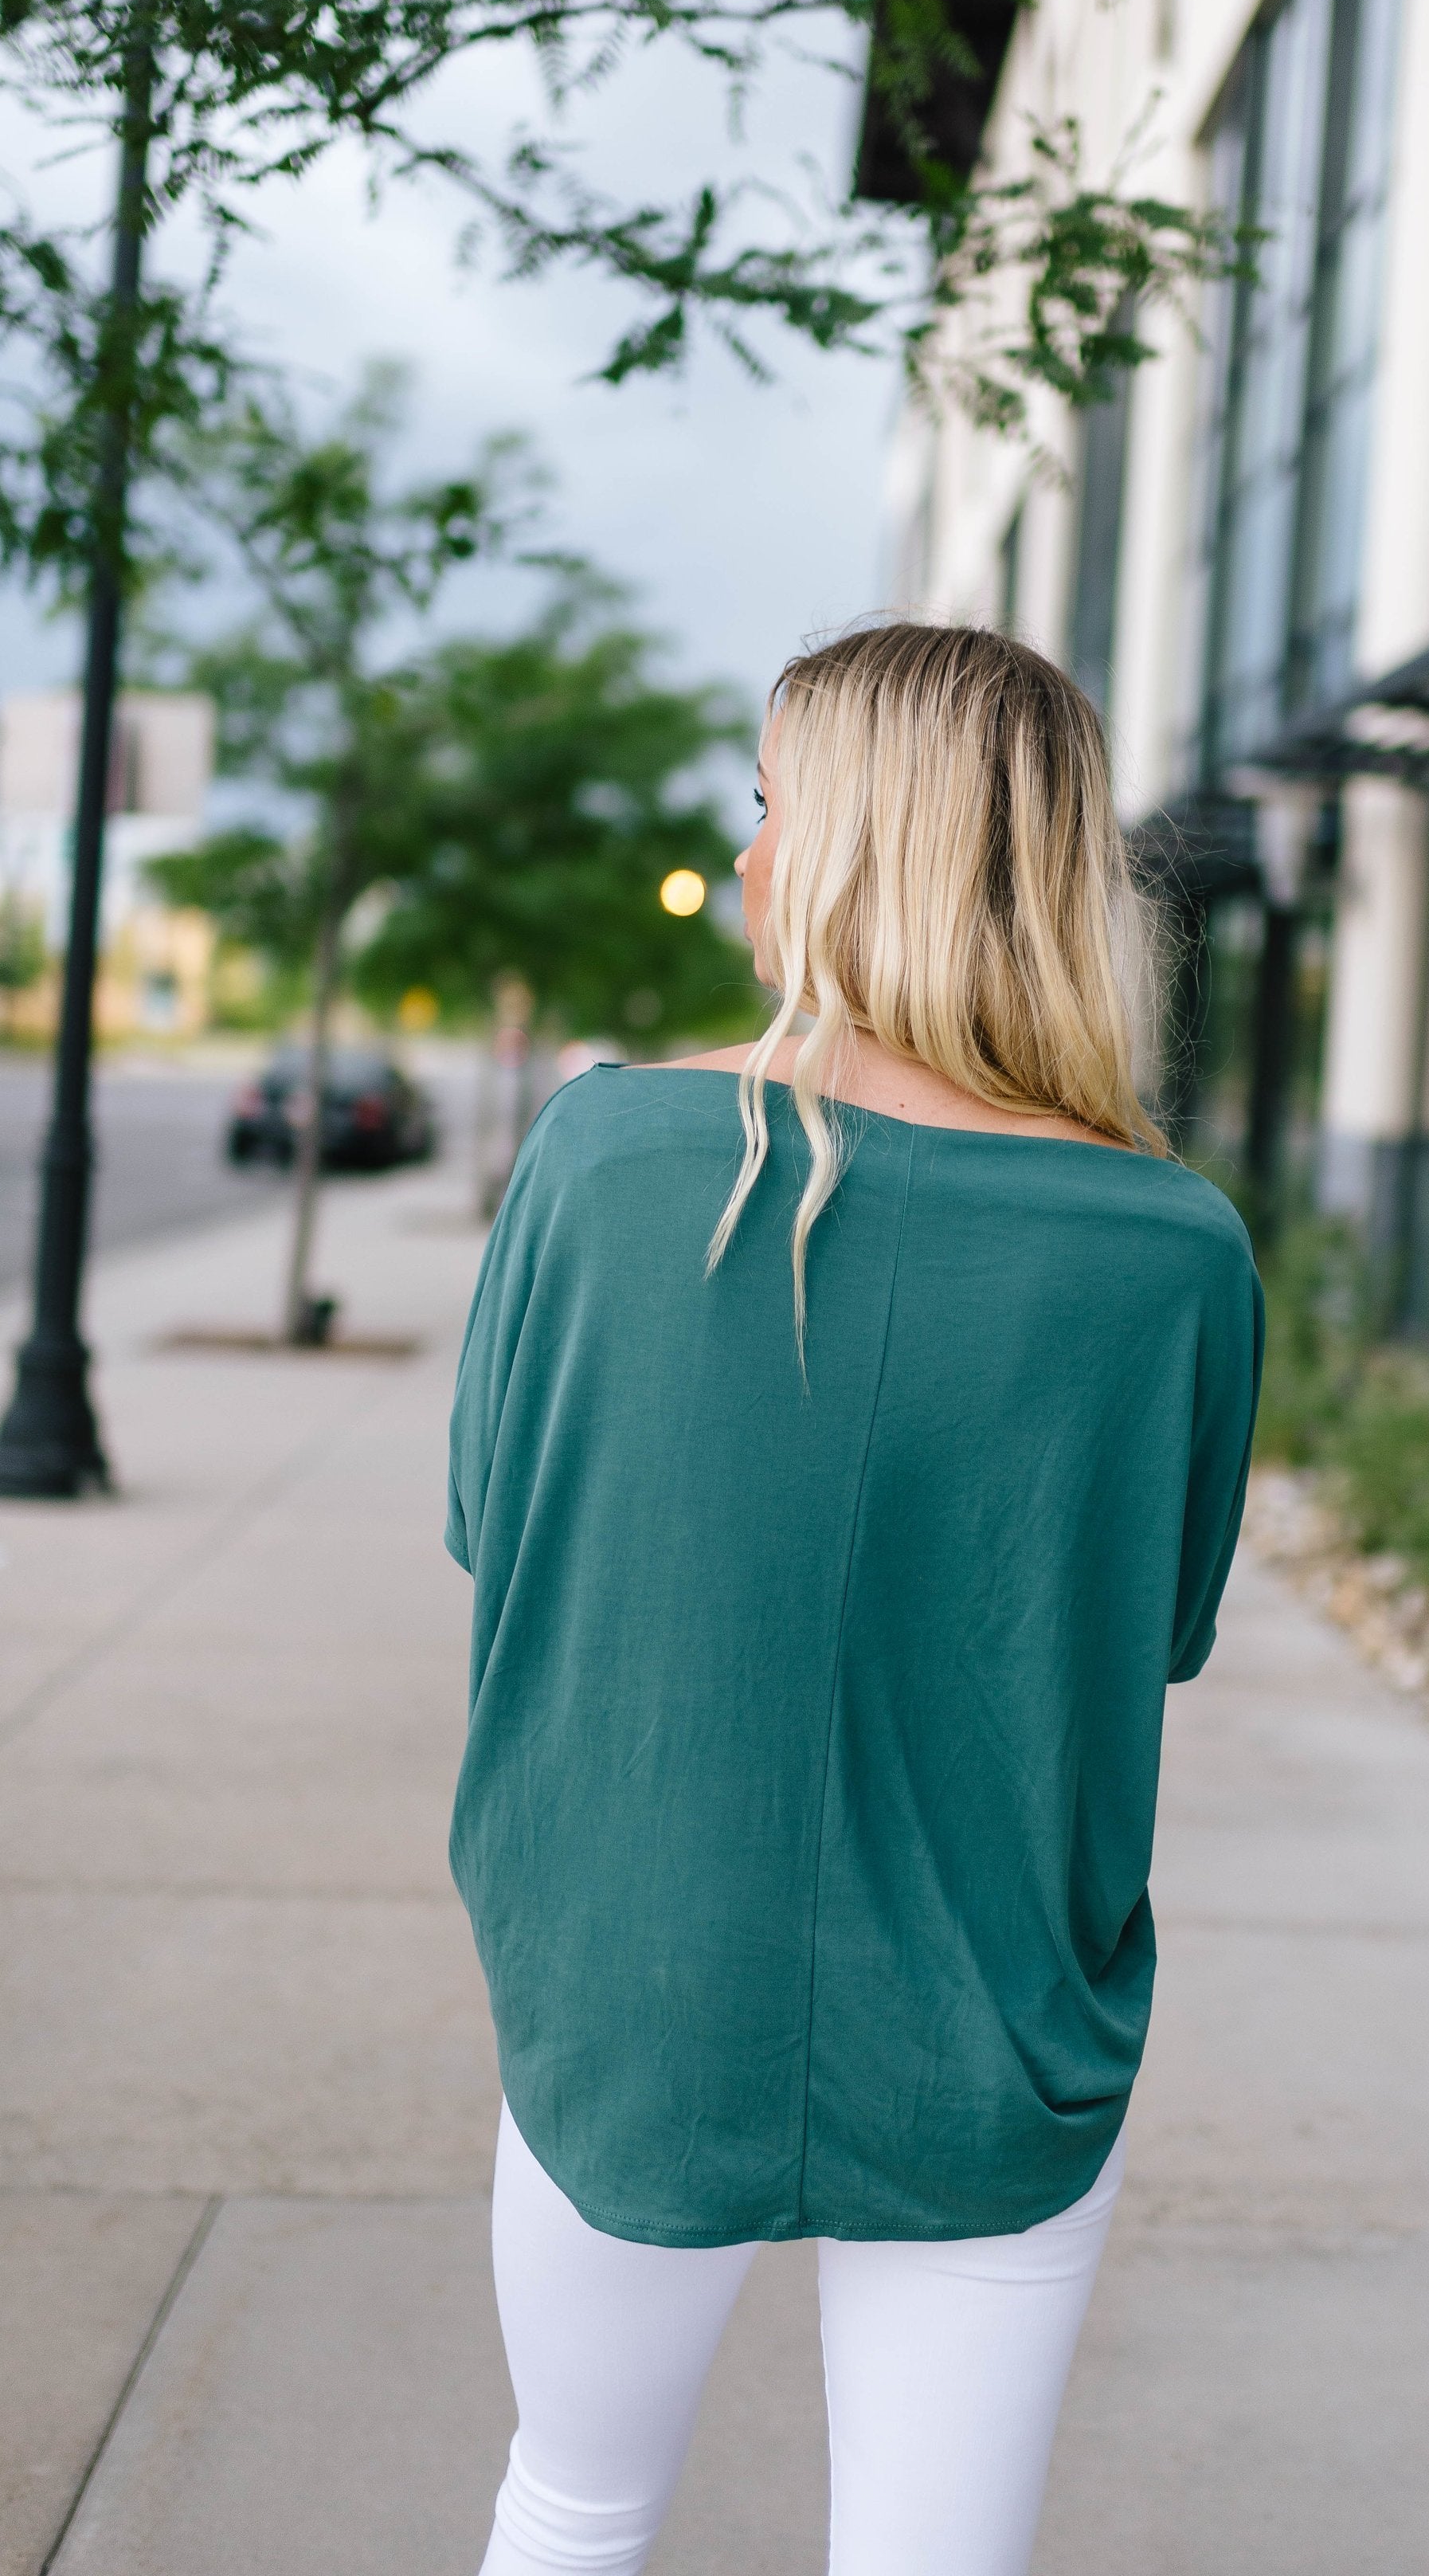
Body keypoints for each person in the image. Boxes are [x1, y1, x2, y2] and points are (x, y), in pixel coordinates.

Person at [446, 621, 1263, 2576]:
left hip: (633, 1986)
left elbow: (495, 1525)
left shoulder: (604, 1158)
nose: (743, 854)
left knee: (572, 2506)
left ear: (847, 845)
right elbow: (1147, 1632)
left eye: (765, 803)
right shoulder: (1175, 1254)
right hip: (995, 2014)